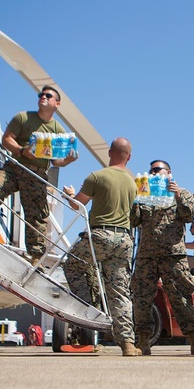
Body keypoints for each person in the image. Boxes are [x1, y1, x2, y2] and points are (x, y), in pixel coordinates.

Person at [0, 85, 78, 263]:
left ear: (57, 103)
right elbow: (7, 139)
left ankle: (36, 257)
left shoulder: (58, 131)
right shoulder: (23, 118)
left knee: (37, 216)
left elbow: (55, 161)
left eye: (48, 95)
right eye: (41, 94)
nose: (43, 97)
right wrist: (22, 151)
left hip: (36, 174)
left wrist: (67, 161)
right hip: (15, 167)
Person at [62, 138, 140, 356]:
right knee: (120, 292)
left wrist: (68, 195)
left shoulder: (96, 176)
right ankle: (128, 344)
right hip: (124, 239)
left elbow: (78, 204)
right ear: (129, 156)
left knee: (73, 265)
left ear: (109, 153)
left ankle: (88, 310)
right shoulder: (133, 183)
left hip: (100, 236)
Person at [130, 160, 194, 356]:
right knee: (142, 299)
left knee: (181, 298)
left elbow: (190, 216)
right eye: (151, 170)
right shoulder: (145, 195)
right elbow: (133, 221)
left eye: (158, 170)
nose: (154, 173)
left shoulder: (182, 192)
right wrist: (136, 199)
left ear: (169, 173)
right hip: (147, 256)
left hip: (173, 255)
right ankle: (143, 341)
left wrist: (178, 195)